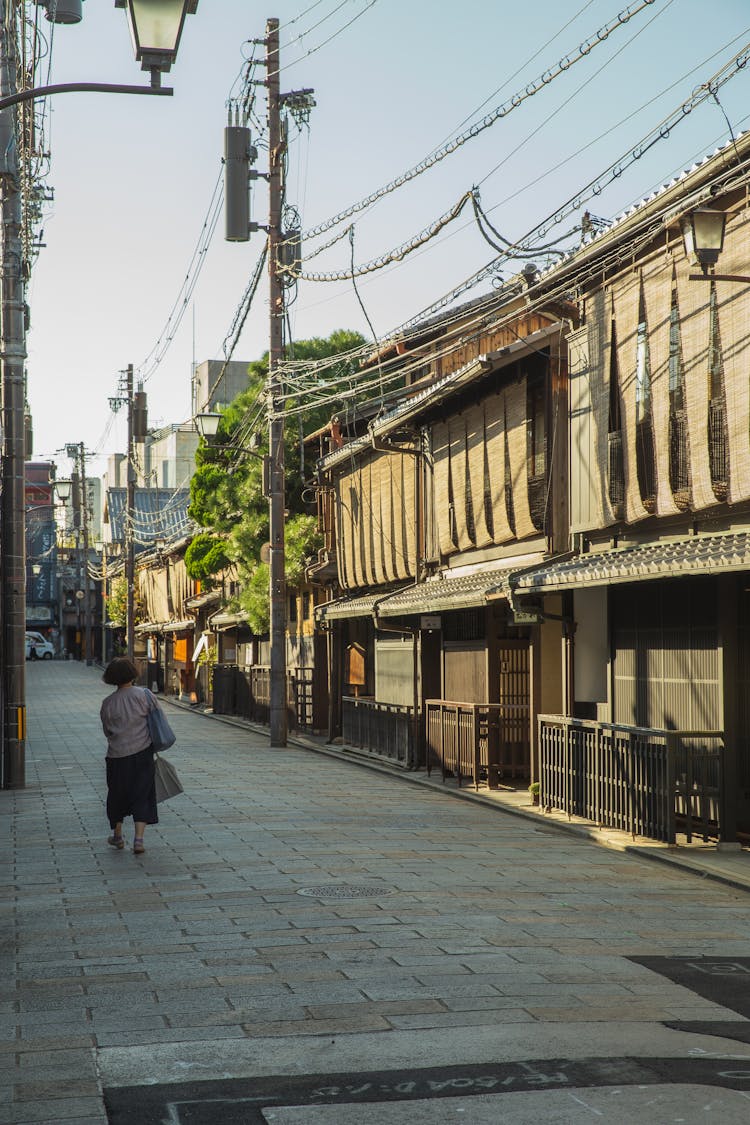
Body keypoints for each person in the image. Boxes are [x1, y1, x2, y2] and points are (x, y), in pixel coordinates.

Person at [100, 657, 157, 855]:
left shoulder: (107, 703)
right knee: (142, 794)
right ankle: (139, 840)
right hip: (142, 753)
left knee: (116, 794)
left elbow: (107, 731)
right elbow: (159, 720)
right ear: (133, 673)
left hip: (116, 756)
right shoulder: (145, 695)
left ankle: (117, 836)